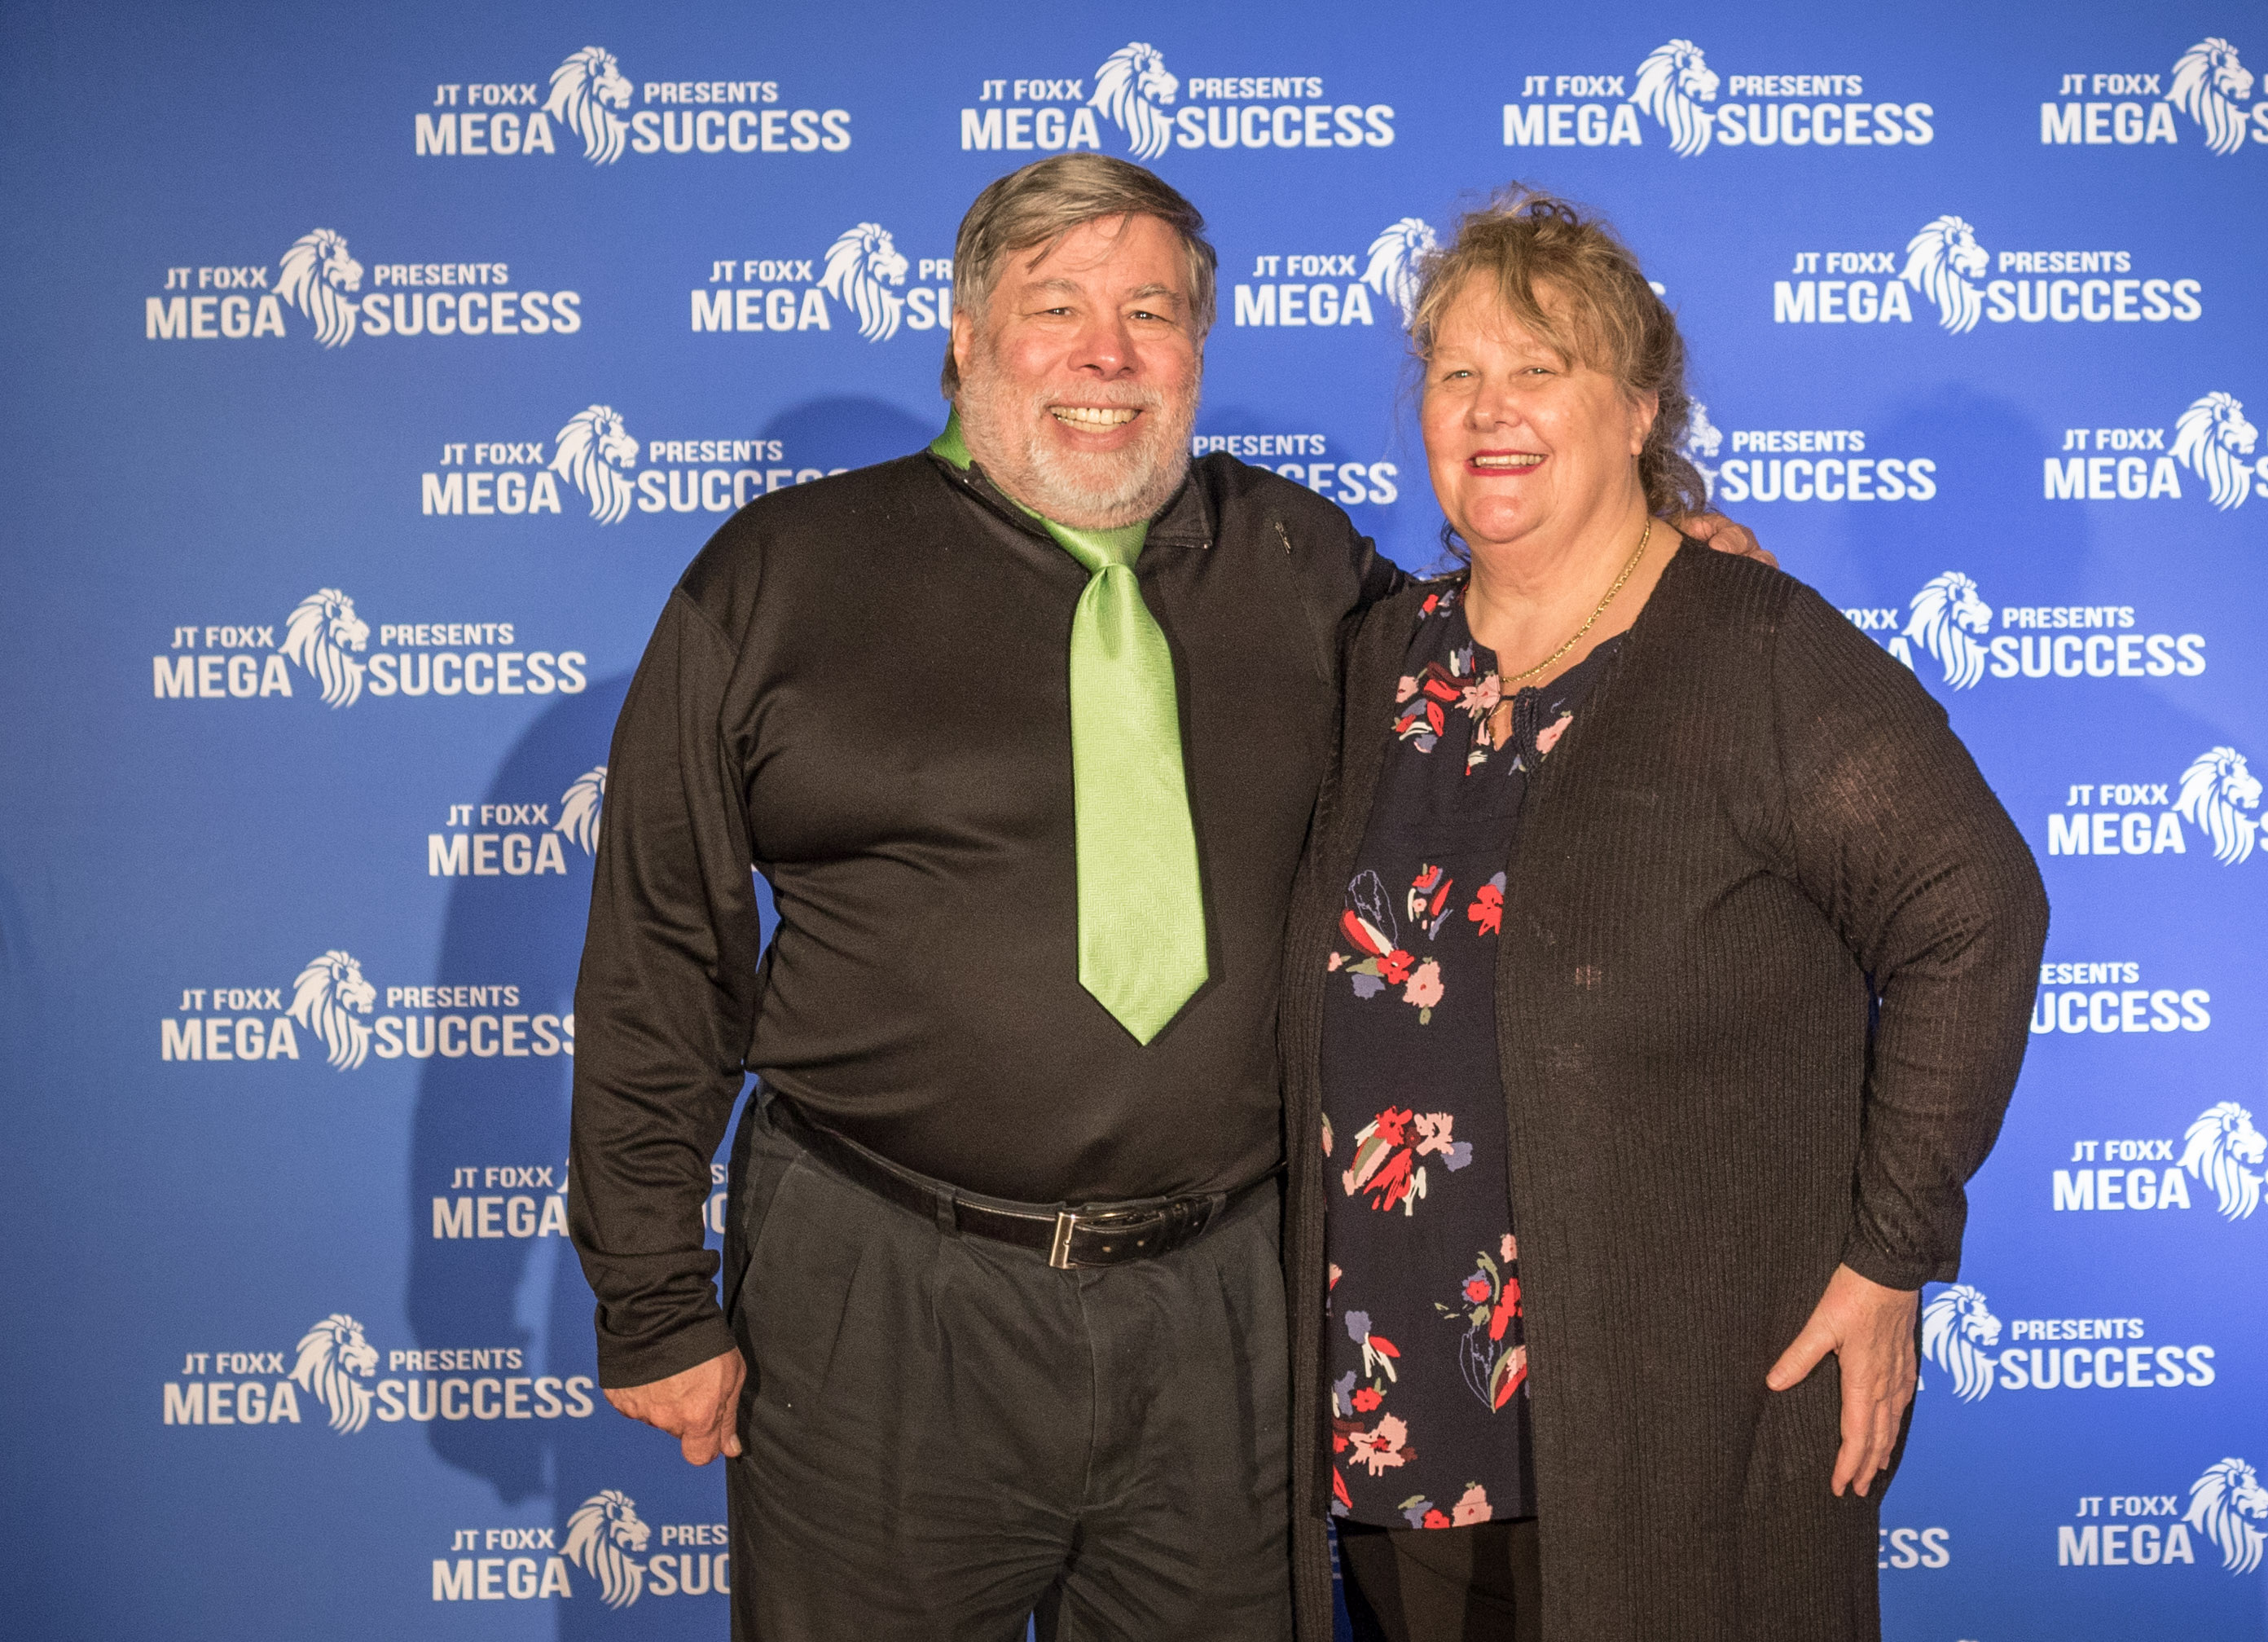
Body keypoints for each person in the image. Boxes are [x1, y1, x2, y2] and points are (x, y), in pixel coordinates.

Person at [567, 154, 1762, 1640]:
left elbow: (1506, 667)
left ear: (1197, 348)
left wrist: (1656, 573)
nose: (1106, 354)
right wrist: (652, 1300)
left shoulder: (1303, 564)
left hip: (1224, 1314)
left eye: (1149, 312)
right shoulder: (779, 577)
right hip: (879, 1297)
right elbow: (660, 954)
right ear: (965, 337)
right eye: (1054, 307)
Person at [1281, 191, 2047, 1642]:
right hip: (1402, 1421)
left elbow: (1974, 911)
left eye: (1539, 368)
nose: (1490, 409)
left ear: (1639, 409)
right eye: (1456, 371)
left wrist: (1889, 1257)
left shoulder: (1754, 650)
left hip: (1686, 1419)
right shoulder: (1379, 658)